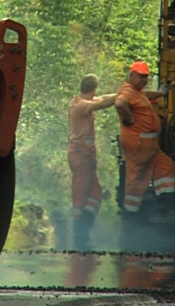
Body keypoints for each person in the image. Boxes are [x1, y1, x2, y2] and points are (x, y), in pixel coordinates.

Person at [115, 61, 175, 220]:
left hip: (149, 146)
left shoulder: (137, 91)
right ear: (132, 75)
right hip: (139, 144)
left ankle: (165, 204)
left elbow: (144, 95)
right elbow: (120, 103)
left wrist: (160, 93)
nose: (143, 80)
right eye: (141, 77)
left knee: (166, 166)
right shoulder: (127, 90)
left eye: (146, 77)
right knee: (137, 178)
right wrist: (129, 119)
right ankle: (131, 214)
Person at [67, 74, 117, 250]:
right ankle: (79, 237)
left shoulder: (84, 100)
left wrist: (125, 93)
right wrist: (125, 96)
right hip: (80, 154)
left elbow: (103, 98)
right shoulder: (79, 105)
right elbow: (102, 104)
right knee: (80, 196)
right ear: (94, 88)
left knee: (95, 194)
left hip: (86, 155)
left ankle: (84, 232)